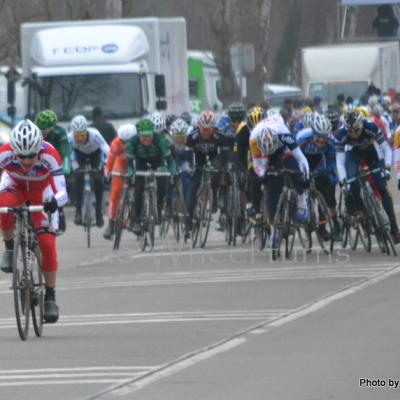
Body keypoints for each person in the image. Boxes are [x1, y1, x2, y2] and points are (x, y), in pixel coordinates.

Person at [0, 119, 68, 323]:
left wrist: (55, 202)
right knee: (3, 207)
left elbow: (63, 191)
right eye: (21, 156)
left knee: (47, 244)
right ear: (14, 151)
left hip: (42, 191)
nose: (27, 161)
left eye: (31, 156)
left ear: (39, 150)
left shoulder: (51, 155)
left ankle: (50, 296)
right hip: (16, 185)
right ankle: (10, 247)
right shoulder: (4, 153)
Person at [336, 110, 400, 243]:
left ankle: (394, 229)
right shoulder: (341, 135)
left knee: (382, 188)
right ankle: (361, 211)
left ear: (362, 125)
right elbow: (340, 161)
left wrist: (387, 168)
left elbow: (386, 149)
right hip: (352, 155)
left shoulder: (371, 127)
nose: (353, 134)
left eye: (357, 130)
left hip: (370, 153)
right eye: (350, 131)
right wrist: (343, 181)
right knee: (352, 182)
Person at [249, 114, 310, 225]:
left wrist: (305, 177)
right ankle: (273, 220)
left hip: (283, 148)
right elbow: (257, 164)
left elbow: (301, 158)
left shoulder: (284, 134)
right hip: (266, 153)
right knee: (270, 181)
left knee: (294, 168)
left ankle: (302, 200)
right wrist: (263, 175)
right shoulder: (253, 138)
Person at [185, 109, 232, 235]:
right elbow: (188, 156)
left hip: (213, 157)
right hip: (198, 158)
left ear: (213, 127)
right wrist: (191, 168)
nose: (206, 132)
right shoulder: (192, 136)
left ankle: (214, 196)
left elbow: (225, 156)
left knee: (217, 173)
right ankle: (188, 220)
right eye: (203, 129)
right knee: (194, 186)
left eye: (209, 129)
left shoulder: (219, 136)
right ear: (199, 126)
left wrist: (223, 169)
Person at [126, 118, 175, 235]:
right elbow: (129, 162)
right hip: (141, 162)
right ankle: (137, 219)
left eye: (149, 135)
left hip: (157, 161)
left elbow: (170, 160)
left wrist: (171, 171)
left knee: (162, 183)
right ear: (138, 134)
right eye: (144, 136)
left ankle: (158, 208)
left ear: (153, 133)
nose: (147, 138)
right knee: (139, 189)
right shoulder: (133, 142)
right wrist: (130, 172)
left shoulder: (160, 140)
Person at [297, 114, 340, 240]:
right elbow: (294, 157)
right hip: (302, 158)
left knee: (324, 190)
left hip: (318, 161)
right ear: (313, 134)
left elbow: (332, 159)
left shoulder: (331, 141)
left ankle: (322, 228)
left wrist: (327, 170)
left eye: (324, 138)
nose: (321, 141)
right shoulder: (302, 138)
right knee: (297, 183)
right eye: (318, 138)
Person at [69, 115, 110, 228]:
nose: (80, 138)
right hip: (79, 155)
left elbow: (107, 150)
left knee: (98, 179)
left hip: (95, 155)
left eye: (82, 135)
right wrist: (71, 167)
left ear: (86, 131)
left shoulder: (95, 134)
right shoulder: (70, 137)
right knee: (77, 179)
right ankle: (78, 211)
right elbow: (65, 153)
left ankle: (98, 213)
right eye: (77, 135)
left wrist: (106, 163)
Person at [35, 109, 71, 234]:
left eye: (46, 130)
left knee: (58, 184)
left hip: (56, 161)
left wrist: (66, 170)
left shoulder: (59, 132)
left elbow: (65, 152)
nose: (43, 132)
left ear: (52, 127)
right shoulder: (34, 133)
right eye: (41, 129)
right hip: (39, 162)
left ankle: (59, 212)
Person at [103, 124, 137, 240]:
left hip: (135, 165)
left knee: (138, 190)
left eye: (129, 141)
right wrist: (107, 174)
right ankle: (111, 224)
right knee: (115, 193)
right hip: (120, 166)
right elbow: (109, 160)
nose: (126, 144)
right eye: (123, 141)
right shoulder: (116, 143)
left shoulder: (139, 142)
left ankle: (135, 218)